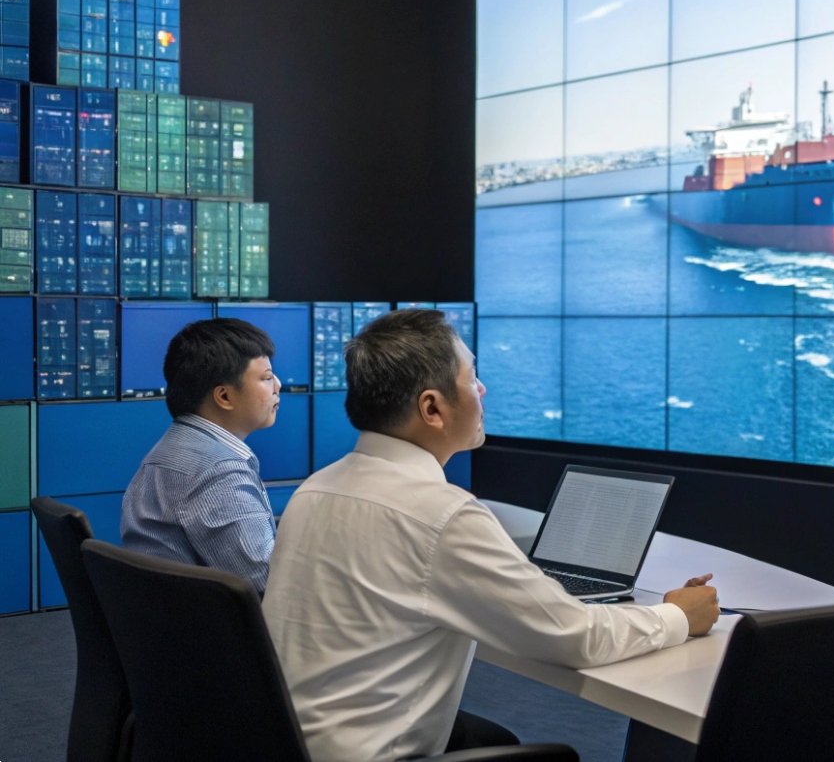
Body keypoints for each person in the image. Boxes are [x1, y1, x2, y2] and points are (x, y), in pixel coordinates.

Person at [263, 308, 720, 761]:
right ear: (432, 408)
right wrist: (677, 615)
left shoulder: (315, 489)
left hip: (293, 741)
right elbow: (575, 636)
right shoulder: (441, 515)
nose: (483, 390)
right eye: (472, 377)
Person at [121, 318, 281, 594]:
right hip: (211, 630)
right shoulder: (216, 471)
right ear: (224, 397)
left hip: (165, 618)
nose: (278, 385)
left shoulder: (173, 447)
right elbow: (268, 582)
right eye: (266, 378)